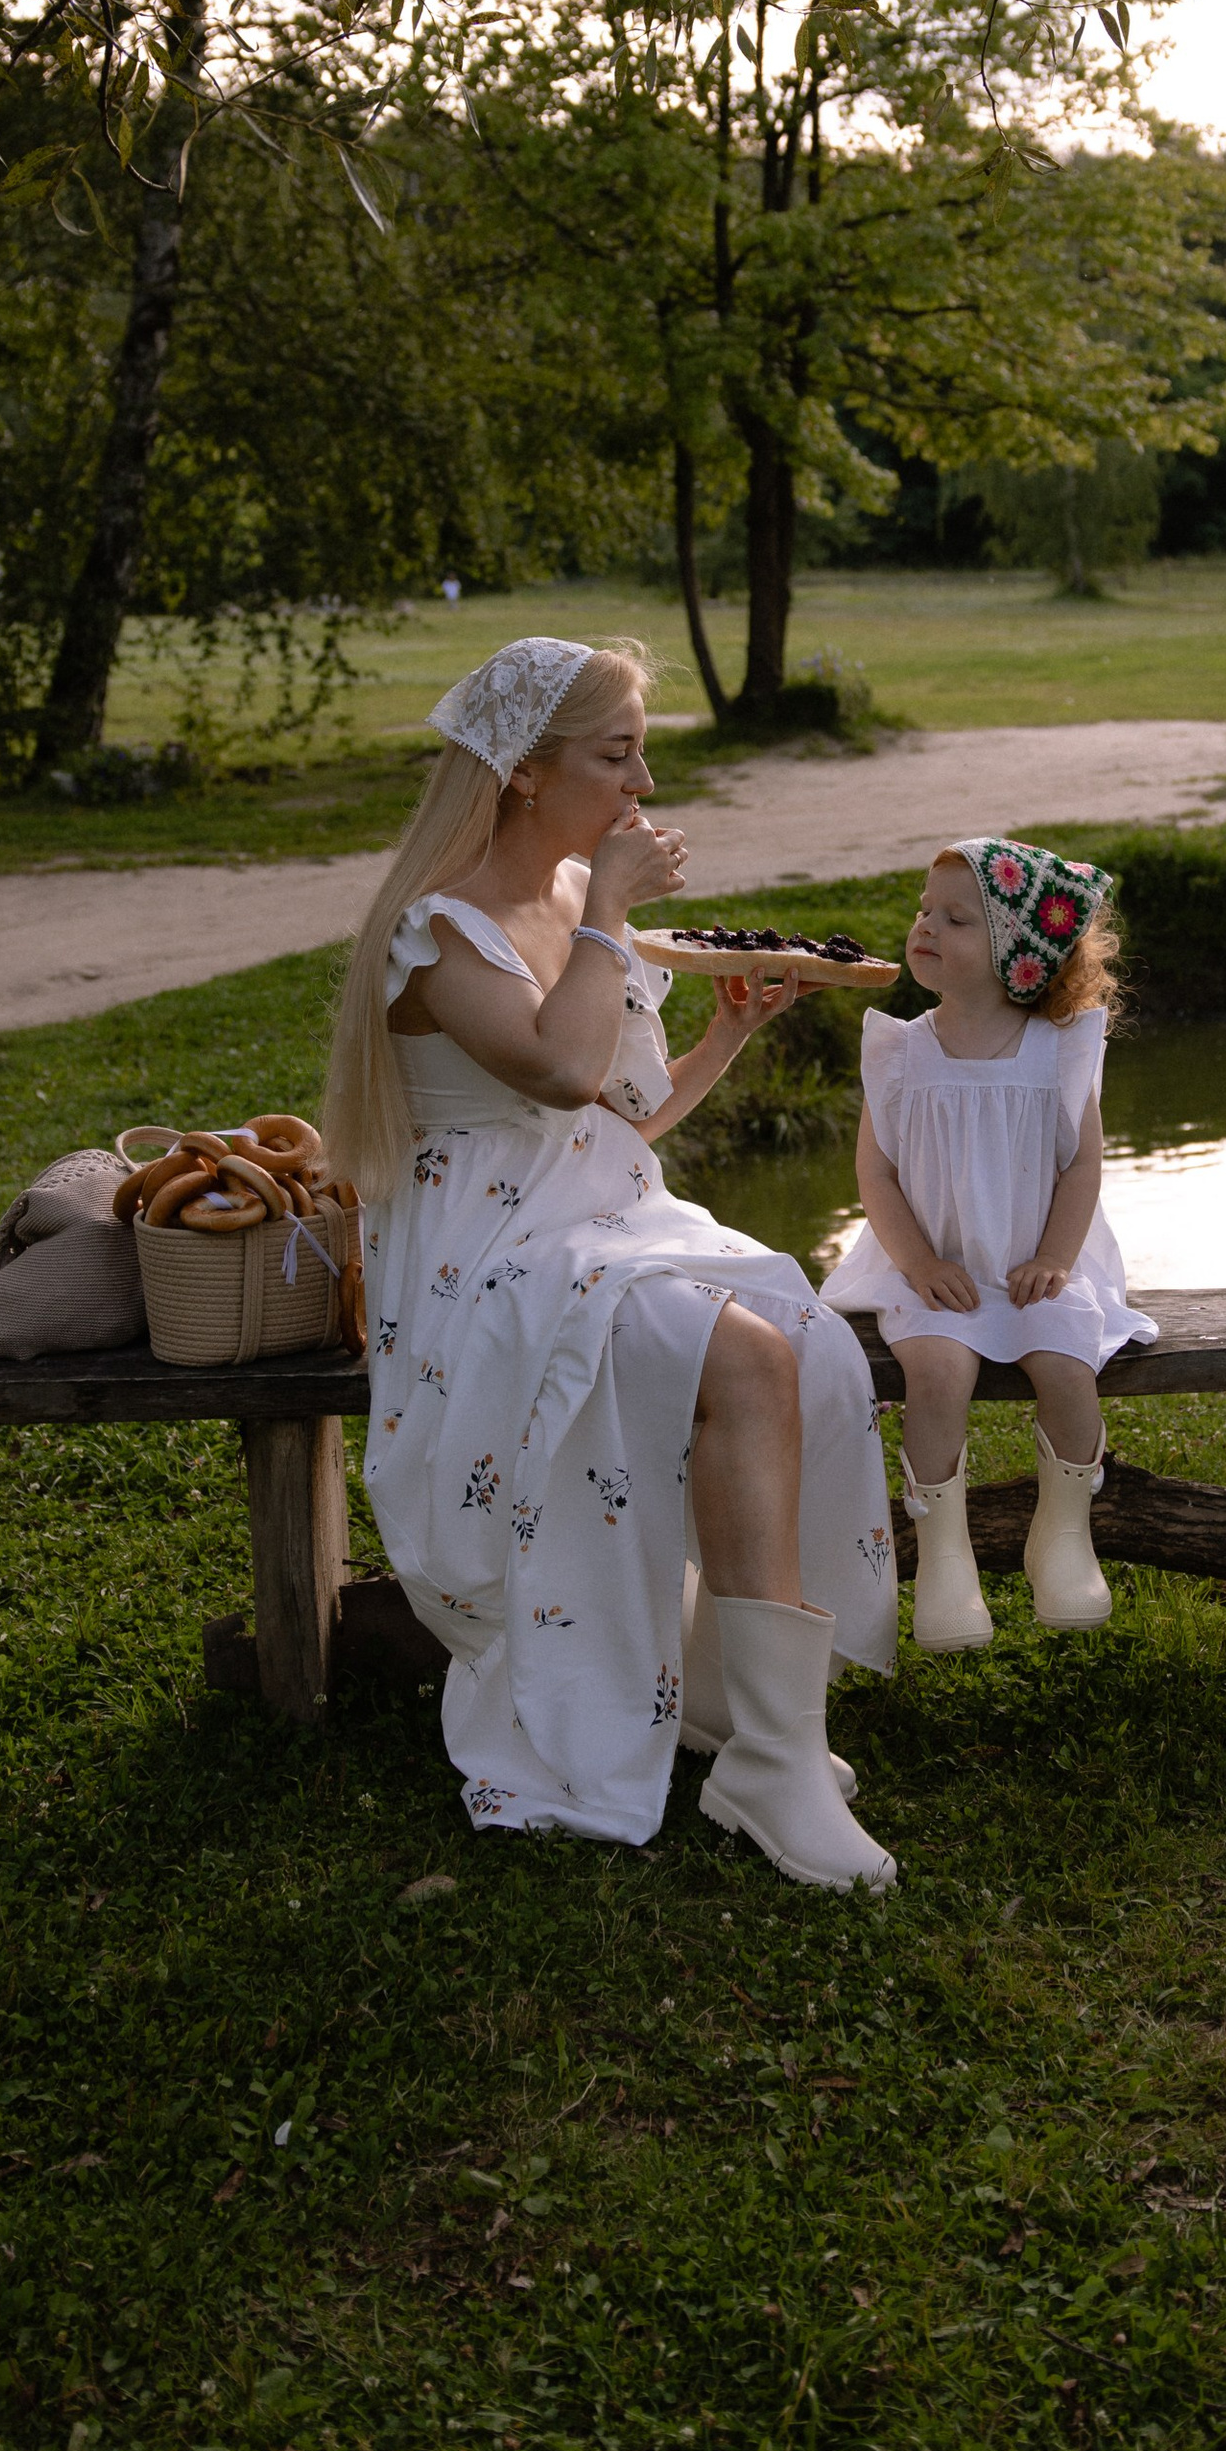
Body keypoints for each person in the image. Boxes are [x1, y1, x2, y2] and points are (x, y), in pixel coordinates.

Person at [323, 634, 898, 1888]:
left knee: (792, 1335)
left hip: (593, 1226)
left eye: (643, 755)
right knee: (740, 1352)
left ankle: (763, 1730)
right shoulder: (438, 932)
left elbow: (610, 1121)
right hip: (480, 1264)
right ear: (527, 770)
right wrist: (615, 915)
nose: (641, 787)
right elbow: (559, 1069)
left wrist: (722, 1037)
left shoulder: (574, 901)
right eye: (616, 754)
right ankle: (770, 1757)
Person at [824, 839, 1154, 1652]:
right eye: (924, 911)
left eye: (956, 918)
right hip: (932, 1269)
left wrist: (1056, 1258)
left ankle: (1062, 1535)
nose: (926, 926)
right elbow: (878, 1177)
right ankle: (945, 1554)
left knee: (1070, 1373)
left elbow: (1080, 1169)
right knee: (935, 1377)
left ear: (1019, 954)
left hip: (1034, 1267)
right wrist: (919, 1264)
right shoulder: (902, 1051)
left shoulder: (1059, 1050)